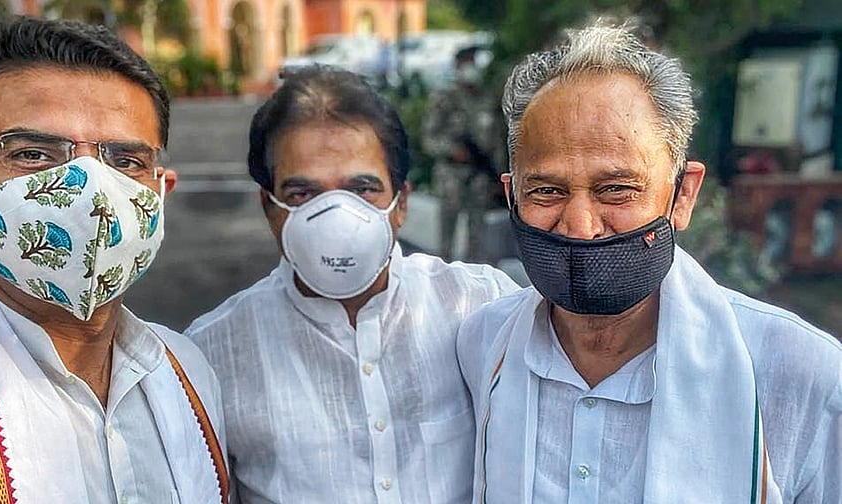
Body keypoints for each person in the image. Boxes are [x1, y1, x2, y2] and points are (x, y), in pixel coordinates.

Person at [457, 22, 841, 503]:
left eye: (617, 189)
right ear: (513, 194)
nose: (581, 226)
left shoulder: (801, 377)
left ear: (683, 195)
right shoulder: (482, 347)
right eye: (548, 191)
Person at [186, 66, 519, 503]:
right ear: (270, 208)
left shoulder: (480, 308)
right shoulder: (213, 355)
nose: (336, 217)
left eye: (362, 189)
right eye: (303, 194)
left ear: (400, 203)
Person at [0, 17, 228, 503]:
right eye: (33, 154)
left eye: (125, 161)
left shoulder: (185, 371)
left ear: (159, 194)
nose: (90, 193)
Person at [422, 45, 503, 262]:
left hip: (480, 177)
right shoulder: (445, 98)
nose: (471, 68)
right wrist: (451, 150)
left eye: (474, 63)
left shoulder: (487, 99)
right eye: (467, 63)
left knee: (478, 237)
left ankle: (473, 276)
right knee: (447, 239)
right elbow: (429, 139)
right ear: (457, 66)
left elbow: (496, 142)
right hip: (451, 177)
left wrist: (498, 176)